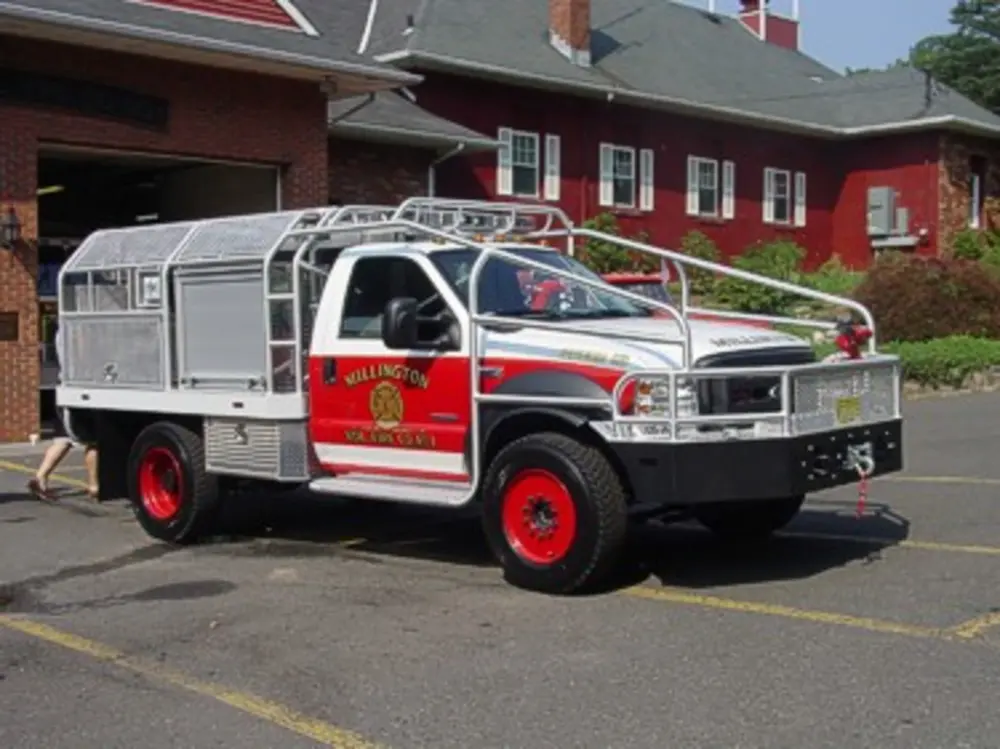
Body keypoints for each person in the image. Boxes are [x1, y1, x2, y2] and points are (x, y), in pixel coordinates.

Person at [27, 325, 98, 502]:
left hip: (65, 386)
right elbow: (83, 355)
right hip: (78, 387)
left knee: (64, 438)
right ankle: (94, 485)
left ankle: (40, 478)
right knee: (94, 439)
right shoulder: (74, 330)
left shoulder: (65, 330)